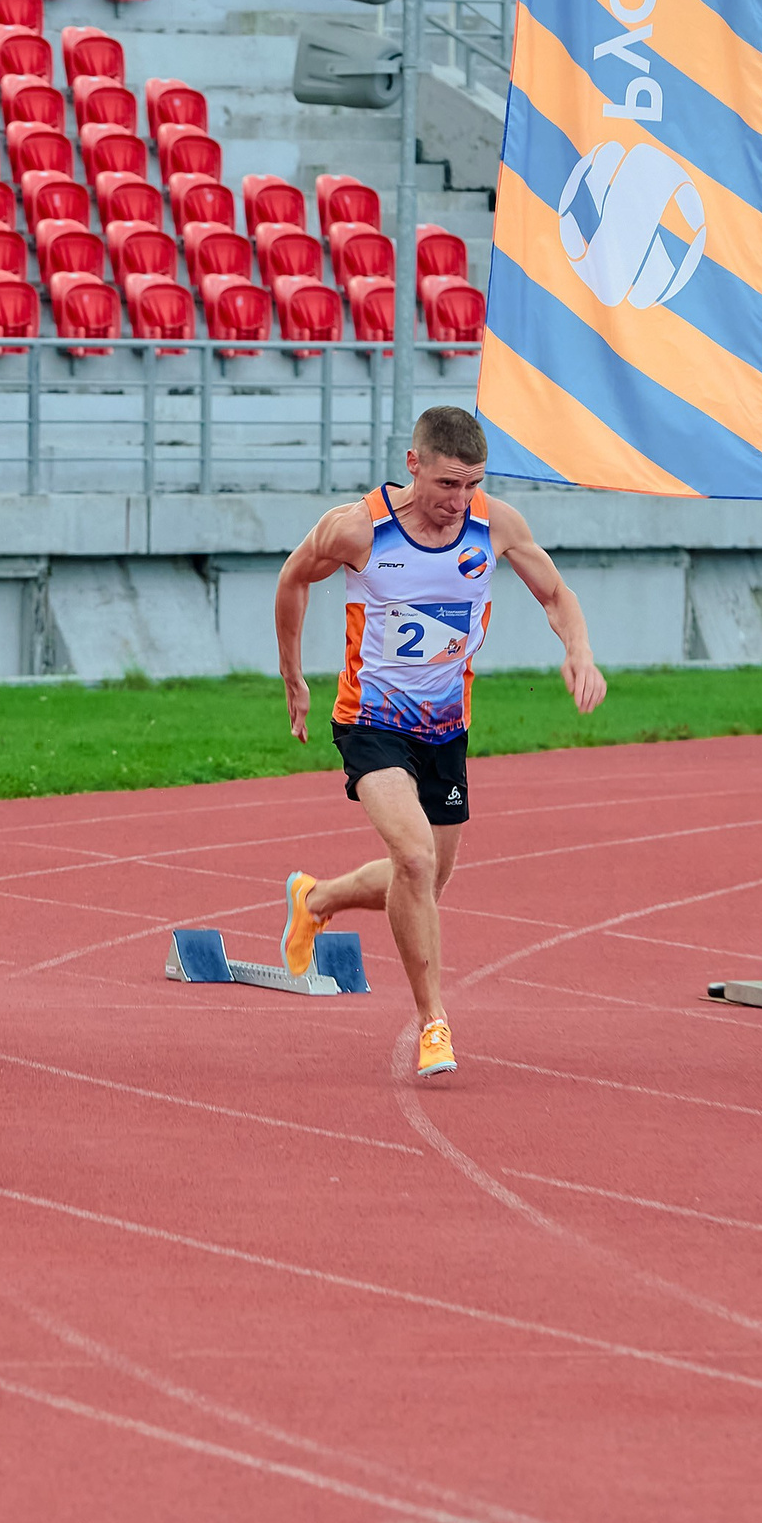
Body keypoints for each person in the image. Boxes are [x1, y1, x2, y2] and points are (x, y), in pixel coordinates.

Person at [272, 405, 608, 1080]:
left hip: (446, 729)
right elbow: (293, 580)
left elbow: (556, 594)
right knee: (416, 859)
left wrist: (580, 650)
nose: (460, 501)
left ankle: (315, 899)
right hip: (371, 721)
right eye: (448, 484)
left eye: (472, 484)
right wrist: (293, 677)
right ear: (414, 465)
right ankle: (434, 1022)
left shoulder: (494, 524)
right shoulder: (358, 528)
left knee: (426, 877)